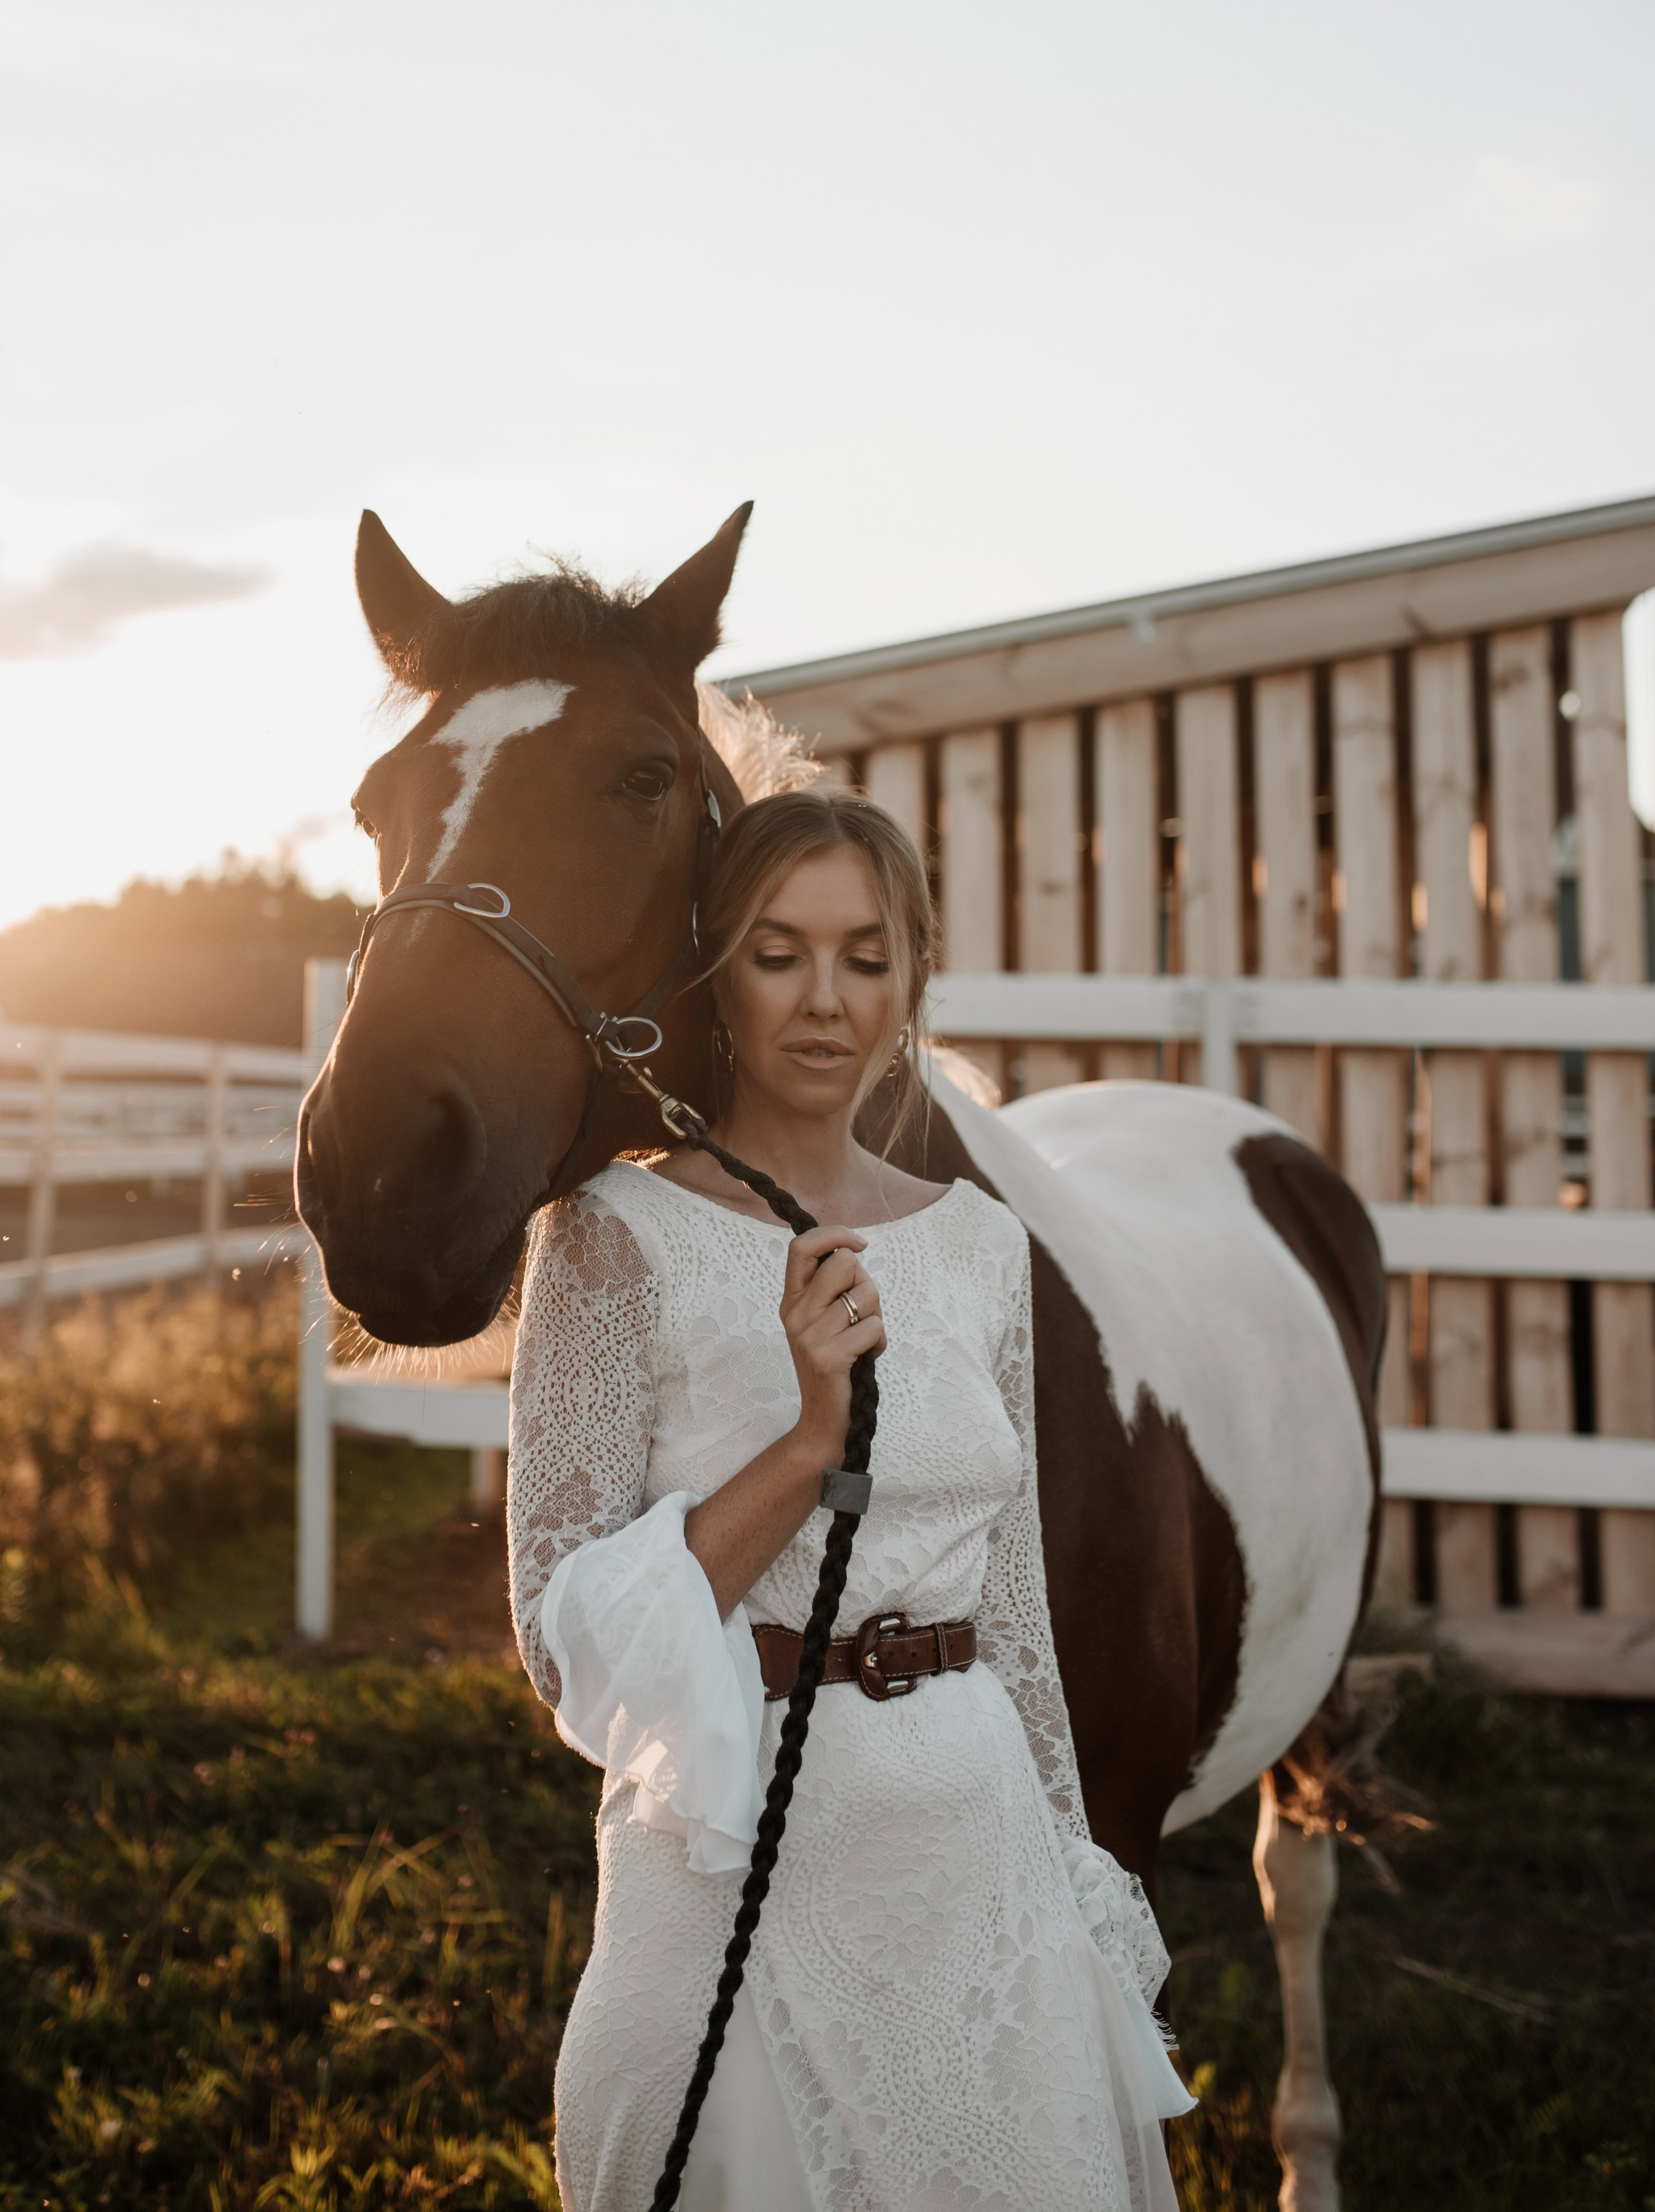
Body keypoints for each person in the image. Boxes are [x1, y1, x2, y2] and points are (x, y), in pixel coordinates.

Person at [507, 788, 1193, 2211]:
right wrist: (808, 1438)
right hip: (734, 1851)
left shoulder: (980, 1246)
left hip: (972, 1860)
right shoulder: (611, 1236)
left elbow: (1012, 1615)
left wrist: (1070, 1876)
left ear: (909, 979)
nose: (825, 1000)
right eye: (778, 952)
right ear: (716, 972)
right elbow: (561, 1639)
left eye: (864, 957)